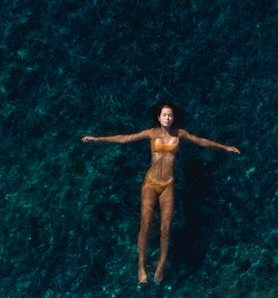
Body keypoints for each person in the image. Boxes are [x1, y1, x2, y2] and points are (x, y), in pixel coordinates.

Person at [82, 102, 240, 283]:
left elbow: (201, 141)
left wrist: (224, 147)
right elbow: (125, 138)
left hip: (168, 185)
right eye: (164, 115)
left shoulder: (180, 134)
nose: (167, 118)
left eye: (170, 115)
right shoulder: (152, 133)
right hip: (150, 183)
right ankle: (141, 266)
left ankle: (161, 265)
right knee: (146, 224)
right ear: (158, 118)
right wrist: (98, 139)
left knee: (166, 227)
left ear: (173, 118)